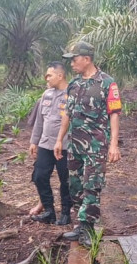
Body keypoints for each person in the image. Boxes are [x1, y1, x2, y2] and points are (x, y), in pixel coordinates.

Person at [54, 42, 121, 246]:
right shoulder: (74, 84)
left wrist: (114, 145)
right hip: (75, 144)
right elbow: (67, 113)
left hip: (95, 144)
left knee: (92, 185)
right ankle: (81, 225)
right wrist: (59, 139)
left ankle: (88, 227)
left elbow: (114, 114)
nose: (72, 63)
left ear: (87, 59)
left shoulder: (107, 83)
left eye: (75, 59)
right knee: (74, 185)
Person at [28, 62, 72, 225]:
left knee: (65, 180)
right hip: (45, 144)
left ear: (60, 76)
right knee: (39, 176)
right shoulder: (46, 95)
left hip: (65, 146)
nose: (46, 78)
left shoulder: (71, 95)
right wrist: (34, 141)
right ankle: (49, 211)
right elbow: (40, 121)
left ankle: (66, 213)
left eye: (49, 75)